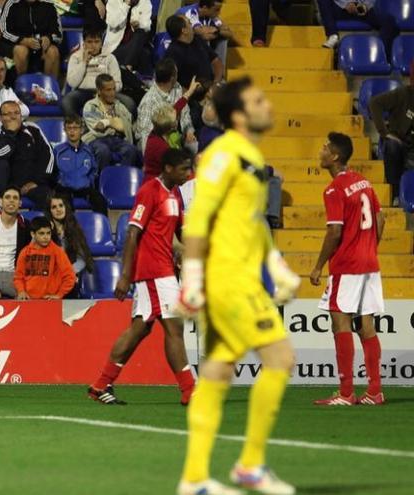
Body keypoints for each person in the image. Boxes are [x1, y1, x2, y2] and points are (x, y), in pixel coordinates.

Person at [175, 77, 299, 495]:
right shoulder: (223, 154)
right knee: (280, 357)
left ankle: (194, 478)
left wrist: (276, 266)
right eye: (258, 100)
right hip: (229, 280)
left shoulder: (250, 156)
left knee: (217, 371)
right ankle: (250, 465)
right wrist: (191, 279)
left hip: (242, 278)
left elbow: (251, 224)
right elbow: (198, 219)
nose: (268, 104)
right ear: (240, 114)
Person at [88, 148, 196, 406]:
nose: (188, 173)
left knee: (139, 329)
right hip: (153, 270)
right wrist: (125, 275)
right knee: (173, 327)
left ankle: (100, 385)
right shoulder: (150, 190)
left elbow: (180, 233)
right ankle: (189, 389)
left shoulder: (175, 195)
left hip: (164, 270)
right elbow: (133, 233)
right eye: (184, 168)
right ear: (168, 168)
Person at [309, 132, 385, 406]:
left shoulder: (334, 189)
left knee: (340, 321)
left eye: (325, 147)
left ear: (335, 156)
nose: (321, 150)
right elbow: (380, 217)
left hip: (347, 266)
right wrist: (369, 247)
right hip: (369, 264)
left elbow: (334, 232)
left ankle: (345, 393)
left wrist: (318, 266)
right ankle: (374, 391)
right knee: (367, 325)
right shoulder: (364, 182)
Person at [0, 100, 56, 210]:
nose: (13, 117)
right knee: (2, 164)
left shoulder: (33, 130)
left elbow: (48, 156)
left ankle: (39, 225)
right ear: (0, 118)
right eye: (8, 114)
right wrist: (11, 134)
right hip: (7, 186)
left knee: (51, 198)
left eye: (16, 113)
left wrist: (36, 182)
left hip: (32, 183)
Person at [368, 66, 414, 205]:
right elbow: (375, 103)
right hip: (398, 142)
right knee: (392, 146)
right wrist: (384, 132)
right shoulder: (403, 94)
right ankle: (393, 195)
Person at [62, 28, 124, 119]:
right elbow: (72, 82)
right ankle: (79, 125)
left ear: (101, 44)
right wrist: (84, 63)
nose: (93, 45)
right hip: (82, 92)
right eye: (89, 42)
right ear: (84, 43)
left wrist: (107, 91)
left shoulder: (110, 58)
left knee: (129, 103)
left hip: (105, 92)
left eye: (96, 42)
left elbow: (118, 83)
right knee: (66, 102)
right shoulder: (76, 57)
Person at [82, 73, 138, 169]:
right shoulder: (90, 106)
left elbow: (128, 126)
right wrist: (114, 123)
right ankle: (100, 181)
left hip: (117, 140)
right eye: (108, 90)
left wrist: (107, 123)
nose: (112, 93)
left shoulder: (119, 105)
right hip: (96, 141)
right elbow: (97, 132)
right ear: (99, 91)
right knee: (103, 151)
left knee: (131, 150)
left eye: (114, 89)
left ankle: (122, 179)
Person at [54, 116, 108, 215]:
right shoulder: (58, 151)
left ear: (82, 130)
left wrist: (88, 181)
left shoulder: (88, 150)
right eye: (69, 128)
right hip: (65, 188)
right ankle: (69, 230)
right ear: (65, 130)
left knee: (100, 201)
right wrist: (60, 181)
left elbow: (94, 171)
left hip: (84, 187)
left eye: (75, 128)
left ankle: (102, 228)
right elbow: (54, 172)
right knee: (64, 205)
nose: (72, 131)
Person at [13, 216, 76, 300]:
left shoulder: (57, 251)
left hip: (49, 301)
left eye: (48, 233)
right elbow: (18, 277)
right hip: (28, 300)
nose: (46, 237)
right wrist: (21, 291)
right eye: (41, 233)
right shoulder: (25, 252)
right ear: (33, 234)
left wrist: (59, 294)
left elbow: (70, 276)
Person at [0, 0, 62, 79]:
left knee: (53, 51)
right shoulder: (11, 3)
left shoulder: (50, 3)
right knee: (21, 51)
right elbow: (4, 31)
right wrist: (22, 40)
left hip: (42, 48)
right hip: (17, 45)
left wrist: (49, 38)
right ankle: (20, 87)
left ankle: (50, 88)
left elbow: (58, 35)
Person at [44, 193, 94, 280]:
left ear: (65, 207)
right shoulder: (44, 230)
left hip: (69, 276)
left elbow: (82, 258)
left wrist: (69, 272)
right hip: (49, 276)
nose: (58, 209)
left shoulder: (73, 229)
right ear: (49, 211)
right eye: (54, 207)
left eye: (61, 205)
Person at [164, 15, 222, 90]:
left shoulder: (198, 40)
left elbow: (216, 60)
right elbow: (170, 82)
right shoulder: (173, 53)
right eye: (190, 23)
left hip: (211, 87)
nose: (192, 26)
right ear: (184, 30)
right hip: (193, 94)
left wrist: (216, 83)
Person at [317, 0, 397, 54]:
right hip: (341, 8)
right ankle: (333, 35)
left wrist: (363, 7)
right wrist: (346, 4)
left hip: (361, 9)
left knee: (389, 21)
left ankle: (382, 56)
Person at [177, 0, 233, 65]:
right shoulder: (190, 12)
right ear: (205, 8)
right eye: (217, 10)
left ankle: (219, 72)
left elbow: (229, 33)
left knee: (223, 39)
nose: (219, 13)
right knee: (203, 39)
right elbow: (203, 34)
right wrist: (213, 31)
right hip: (179, 48)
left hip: (194, 47)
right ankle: (205, 71)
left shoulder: (210, 15)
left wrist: (218, 31)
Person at [103, 0, 152, 72]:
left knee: (141, 33)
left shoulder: (145, 2)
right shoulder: (113, 1)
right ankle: (128, 69)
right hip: (116, 47)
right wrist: (126, 5)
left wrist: (138, 24)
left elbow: (147, 25)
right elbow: (113, 23)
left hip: (134, 45)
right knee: (143, 54)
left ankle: (127, 67)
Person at [143, 104, 180, 182]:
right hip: (156, 185)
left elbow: (176, 108)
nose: (177, 121)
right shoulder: (161, 147)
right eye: (176, 120)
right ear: (171, 127)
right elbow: (174, 171)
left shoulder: (155, 132)